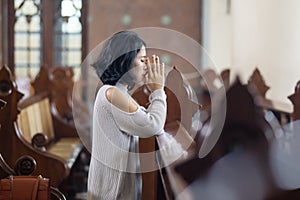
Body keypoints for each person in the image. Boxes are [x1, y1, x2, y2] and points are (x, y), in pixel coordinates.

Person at [87, 30, 167, 200]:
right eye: (142, 59)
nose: (147, 65)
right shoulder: (111, 93)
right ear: (125, 61)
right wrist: (158, 90)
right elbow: (153, 126)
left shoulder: (118, 93)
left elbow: (144, 118)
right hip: (111, 193)